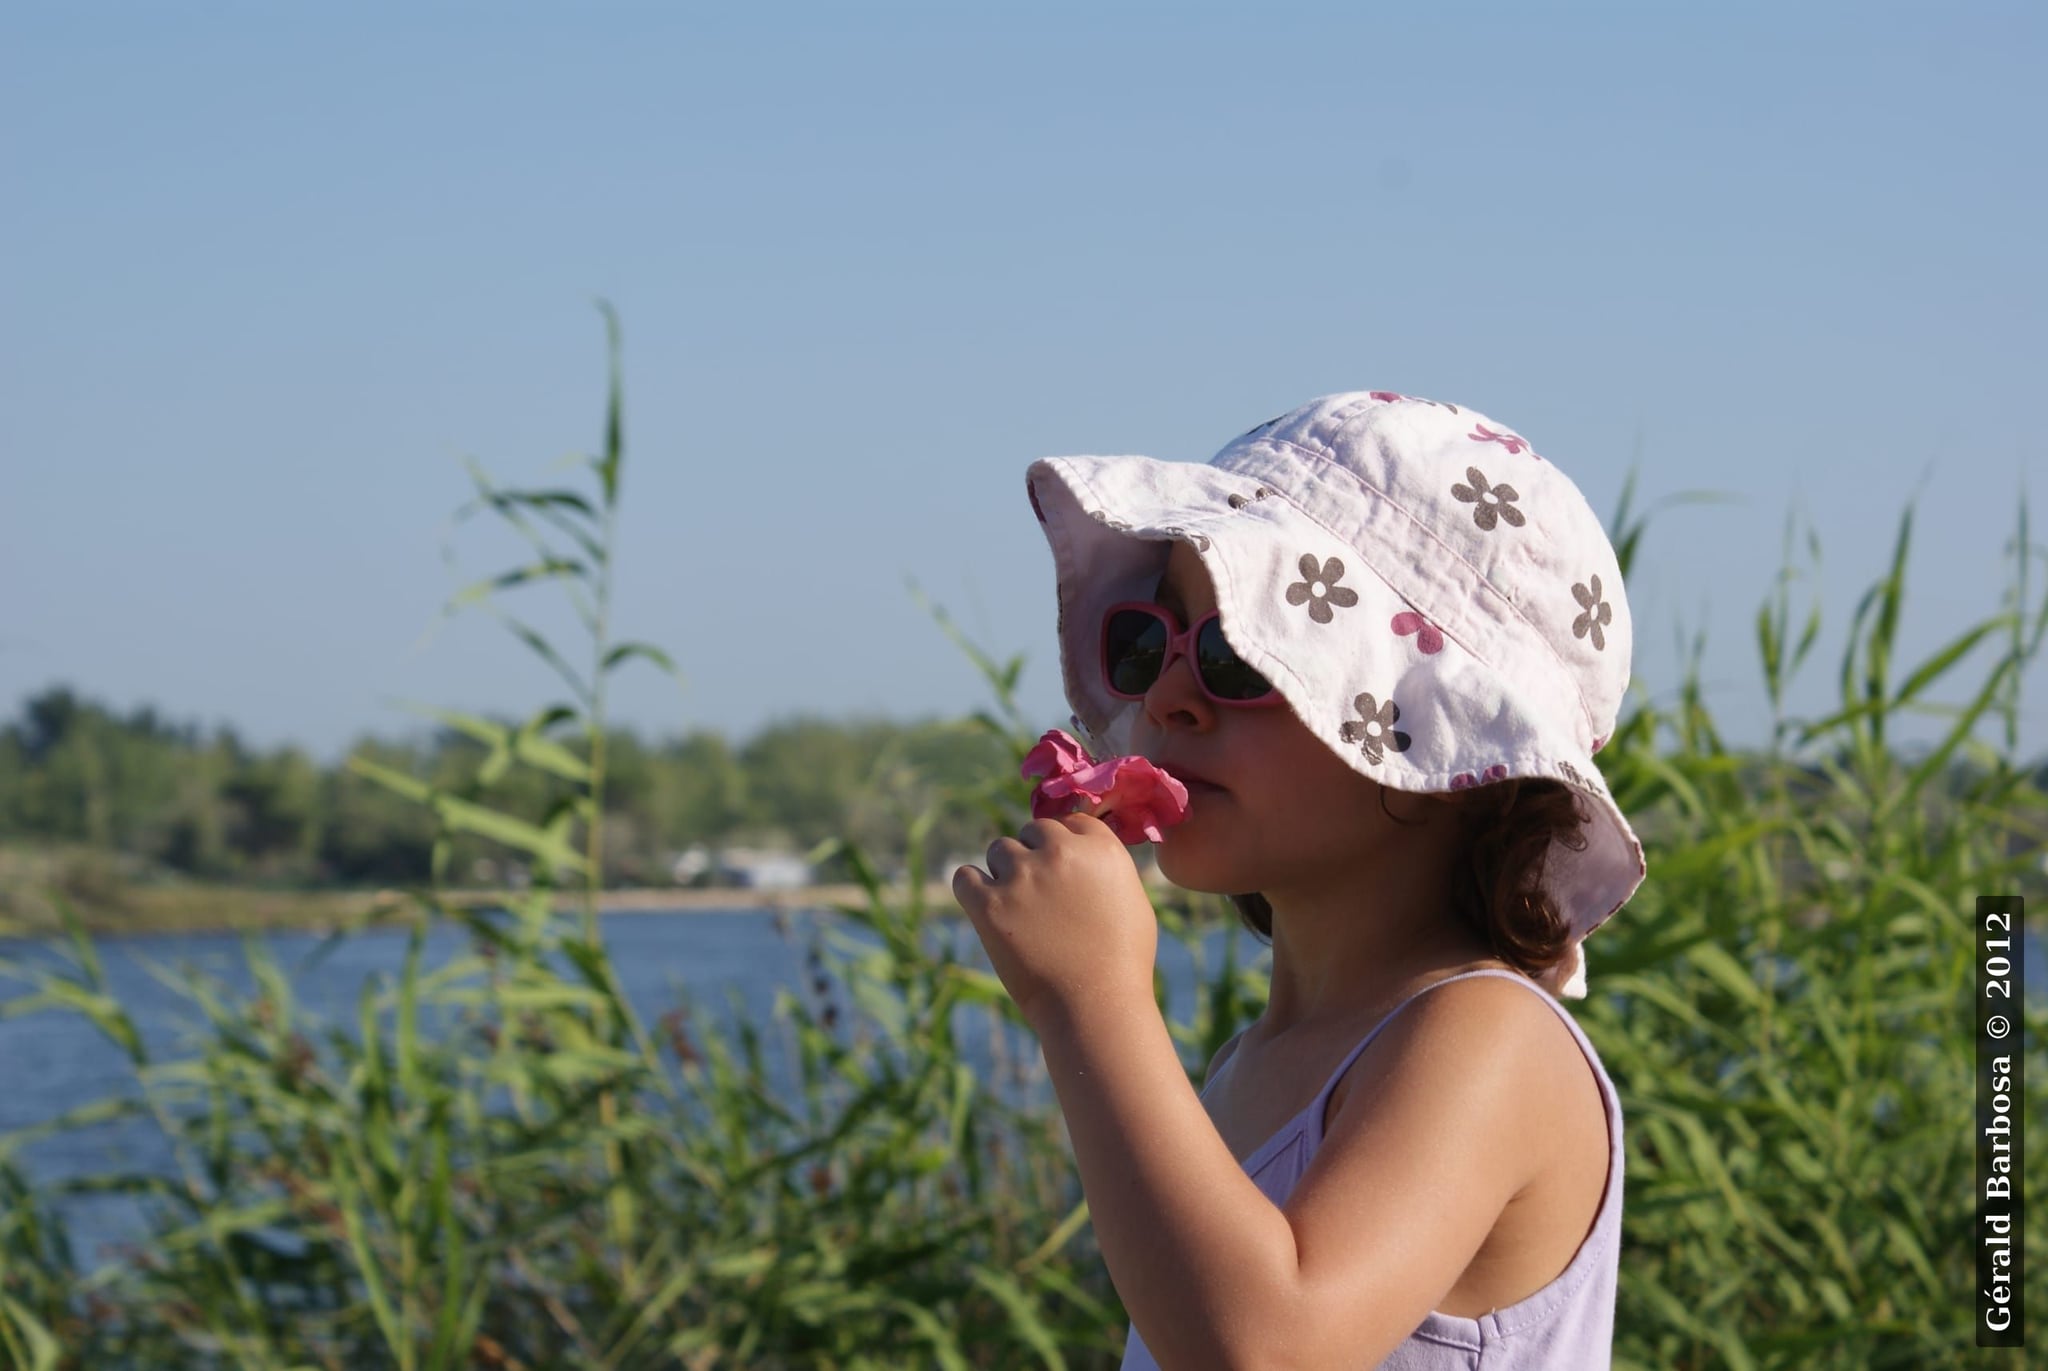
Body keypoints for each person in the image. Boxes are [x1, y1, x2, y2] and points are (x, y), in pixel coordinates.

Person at [953, 390, 1647, 1369]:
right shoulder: (1255, 1063)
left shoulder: (1488, 1038)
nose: (1166, 697)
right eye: (1151, 641)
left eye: (1242, 652)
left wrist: (1092, 1004)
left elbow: (1268, 1346)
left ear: (1446, 750)